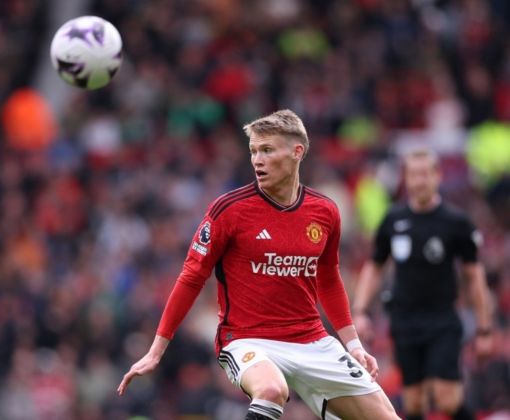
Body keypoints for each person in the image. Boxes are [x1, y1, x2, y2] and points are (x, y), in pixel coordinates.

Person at [118, 110, 399, 420]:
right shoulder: (229, 210)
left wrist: (354, 344)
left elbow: (329, 279)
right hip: (248, 340)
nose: (257, 160)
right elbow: (191, 277)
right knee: (270, 390)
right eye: (253, 151)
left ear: (297, 152)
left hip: (314, 341)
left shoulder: (325, 211)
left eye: (267, 150)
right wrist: (156, 350)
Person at [352, 148, 493, 420]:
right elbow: (374, 267)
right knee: (413, 403)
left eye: (425, 174)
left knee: (446, 398)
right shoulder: (393, 219)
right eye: (413, 175)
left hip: (442, 320)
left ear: (437, 176)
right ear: (406, 178)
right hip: (404, 321)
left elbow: (474, 276)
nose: (419, 181)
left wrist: (484, 329)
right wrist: (360, 311)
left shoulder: (456, 222)